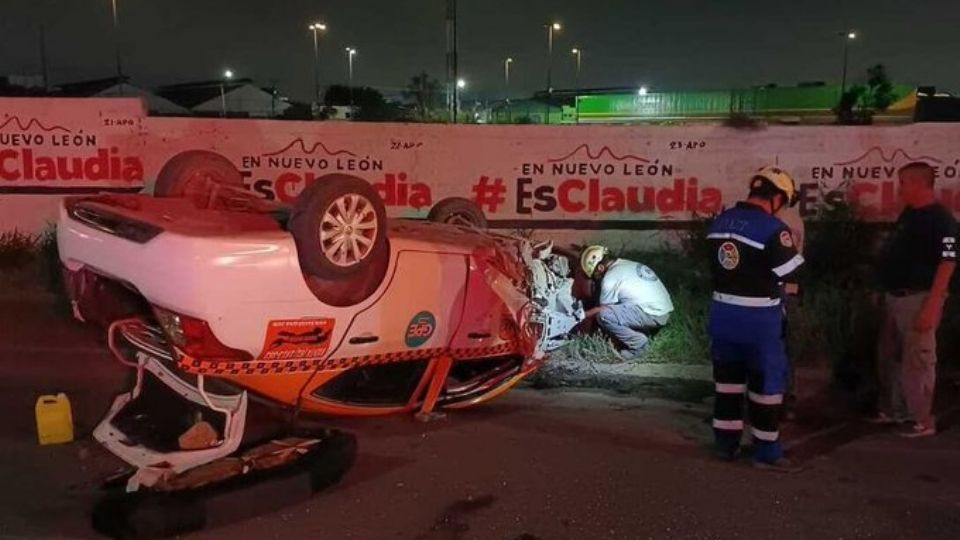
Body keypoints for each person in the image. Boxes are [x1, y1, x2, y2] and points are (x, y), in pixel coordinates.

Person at [706, 165, 804, 472]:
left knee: (728, 385)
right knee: (766, 387)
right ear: (775, 197)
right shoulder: (774, 230)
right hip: (759, 319)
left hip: (721, 315)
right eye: (783, 203)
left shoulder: (719, 222)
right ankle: (767, 452)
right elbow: (794, 273)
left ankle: (725, 445)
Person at [872, 161, 956, 438]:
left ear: (919, 184)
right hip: (895, 296)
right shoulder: (909, 214)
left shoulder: (941, 219)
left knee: (918, 361)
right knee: (892, 358)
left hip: (919, 298)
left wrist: (932, 306)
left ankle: (922, 419)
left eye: (903, 183)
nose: (899, 189)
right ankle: (897, 410)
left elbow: (948, 263)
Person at [580, 246, 674, 360]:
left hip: (653, 314)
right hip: (665, 311)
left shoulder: (609, 278)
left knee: (604, 316)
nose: (597, 279)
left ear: (600, 268)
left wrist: (582, 316)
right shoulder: (627, 264)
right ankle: (642, 333)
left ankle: (639, 345)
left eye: (595, 275)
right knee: (616, 309)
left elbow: (603, 310)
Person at [776, 204, 805, 418]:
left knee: (778, 347)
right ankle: (787, 398)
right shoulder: (794, 218)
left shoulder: (778, 222)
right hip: (788, 291)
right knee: (785, 347)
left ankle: (782, 398)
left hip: (777, 292)